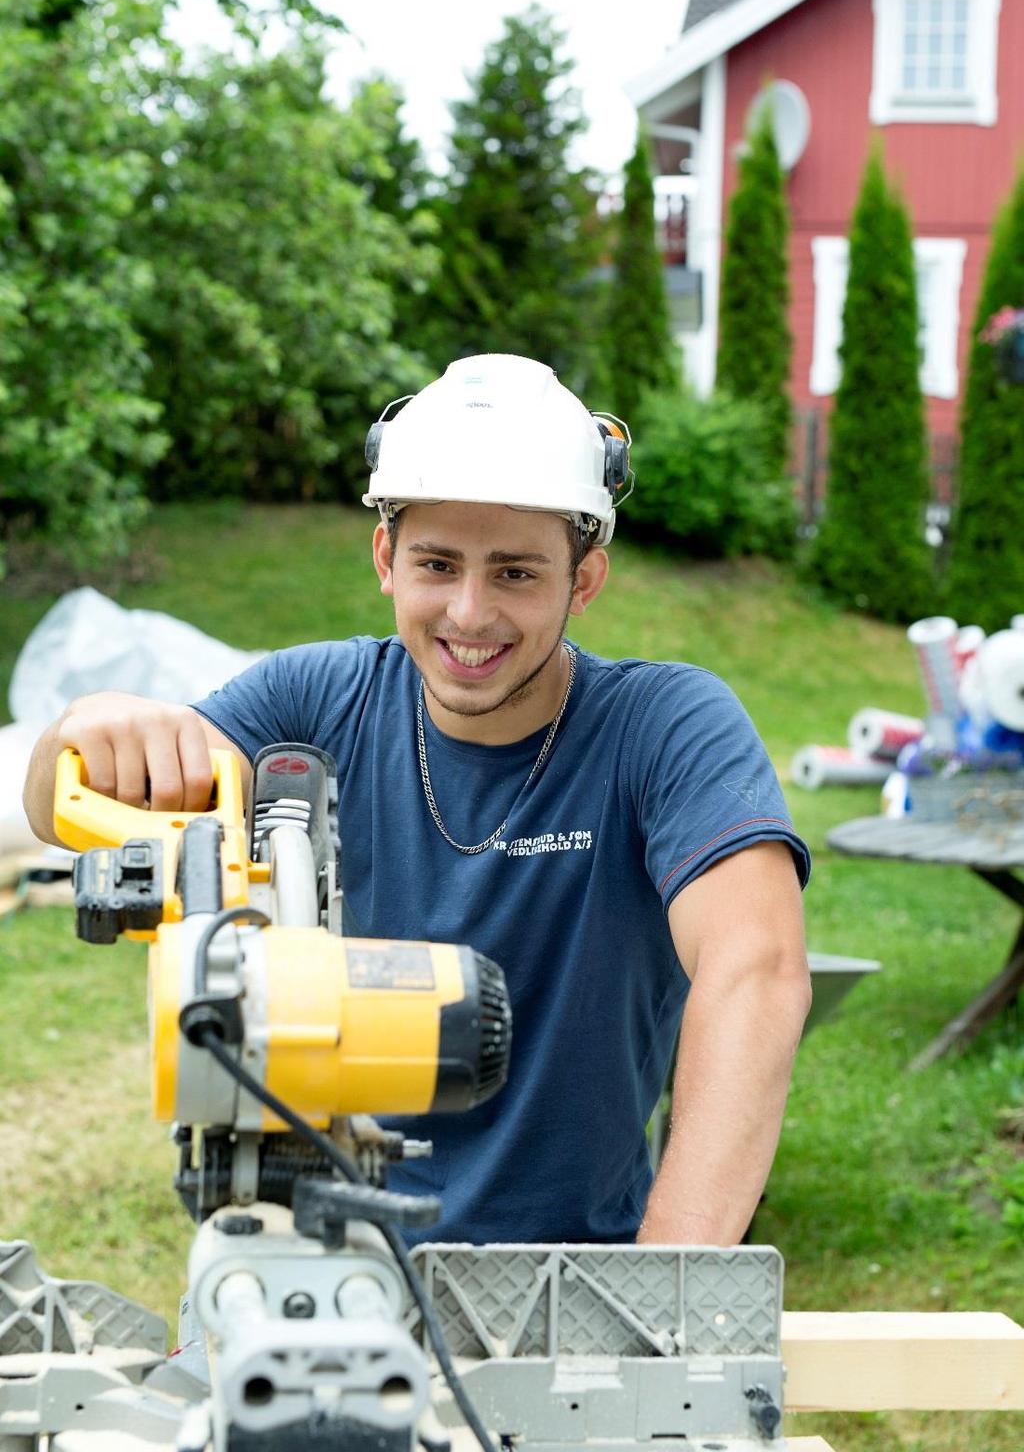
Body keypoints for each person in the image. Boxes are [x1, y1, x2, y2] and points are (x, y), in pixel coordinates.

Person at [23, 353, 811, 1247]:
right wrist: (82, 728)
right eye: (438, 563)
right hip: (311, 1265)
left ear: (582, 581)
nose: (470, 614)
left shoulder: (665, 727)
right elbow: (61, 805)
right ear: (386, 558)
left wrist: (669, 1286)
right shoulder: (310, 704)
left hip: (574, 1275)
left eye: (516, 573)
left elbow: (757, 968)